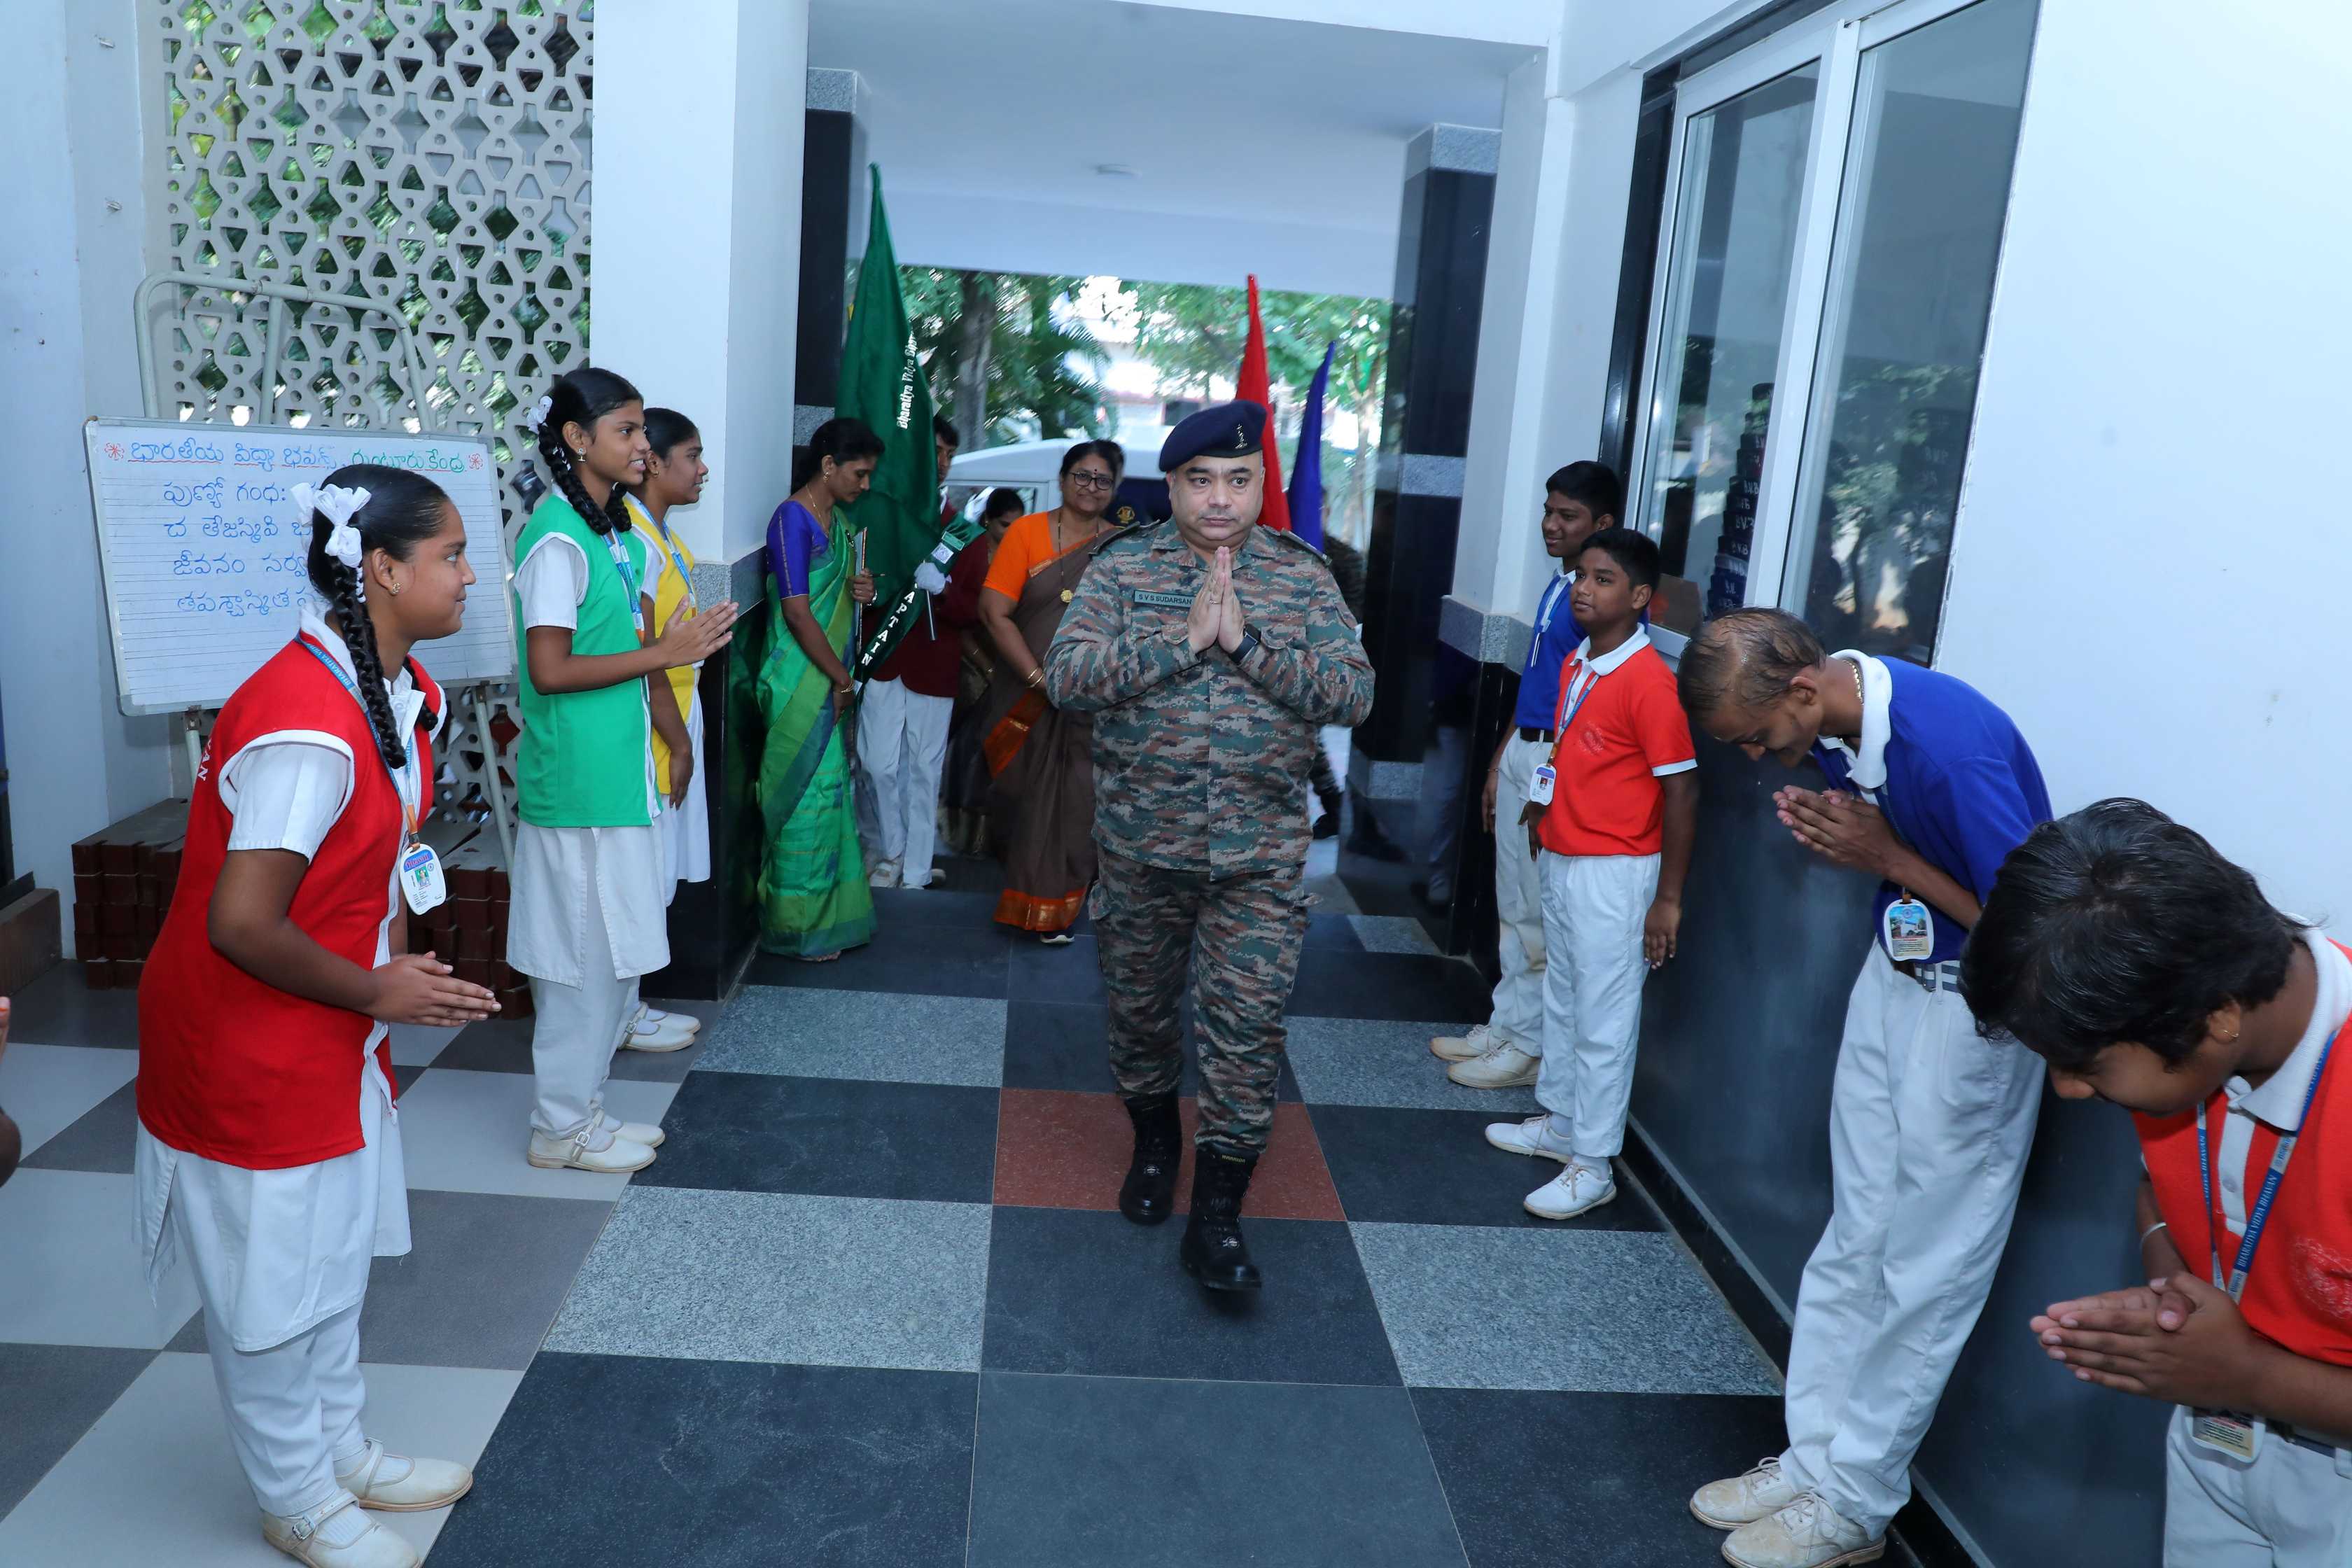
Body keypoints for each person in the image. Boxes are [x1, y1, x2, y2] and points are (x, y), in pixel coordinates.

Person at [134, 468, 498, 1568]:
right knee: (271, 1289)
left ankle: (341, 1451)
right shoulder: (308, 724)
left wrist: (381, 974)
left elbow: (367, 865)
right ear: (382, 570)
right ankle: (295, 1496)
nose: (468, 575)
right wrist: (382, 988)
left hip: (326, 1030)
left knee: (328, 1264)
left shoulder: (391, 690)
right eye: (450, 556)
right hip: (250, 1043)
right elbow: (242, 922)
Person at [1676, 608, 2049, 1568]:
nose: (1761, 758)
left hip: (1976, 1010)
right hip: (1895, 974)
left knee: (1929, 1265)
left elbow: (2034, 937)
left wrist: (1886, 859)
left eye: (1760, 737)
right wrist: (1873, 854)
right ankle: (1815, 1459)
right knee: (1856, 1235)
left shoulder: (1949, 748)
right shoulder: (1839, 721)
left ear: (1805, 689)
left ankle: (1856, 1502)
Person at [1963, 800, 2352, 1567]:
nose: (2068, 1090)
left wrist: (2247, 1373)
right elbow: (2162, 1188)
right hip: (2219, 1436)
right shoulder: (2187, 1038)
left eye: (2084, 1064)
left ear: (2217, 1018)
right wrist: (2173, 1287)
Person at [1046, 402, 1376, 1291]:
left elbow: (1354, 695)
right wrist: (1184, 638)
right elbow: (1067, 678)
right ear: (1173, 485)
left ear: (1262, 483)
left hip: (1258, 859)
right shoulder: (1122, 567)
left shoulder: (1303, 577)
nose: (1220, 498)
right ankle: (1157, 1144)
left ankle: (1219, 1215)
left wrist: (1248, 644)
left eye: (1238, 479)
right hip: (1140, 849)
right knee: (1141, 1016)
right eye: (1201, 480)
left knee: (1247, 1030)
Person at [511, 370, 736, 1173]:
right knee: (578, 964)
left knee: (609, 959)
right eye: (628, 431)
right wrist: (664, 652)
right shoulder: (557, 539)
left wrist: (669, 646)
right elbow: (549, 670)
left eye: (644, 431)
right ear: (577, 439)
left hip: (615, 777)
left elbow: (631, 645)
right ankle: (559, 1125)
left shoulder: (610, 533)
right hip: (578, 785)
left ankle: (583, 1110)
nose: (643, 445)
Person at [1483, 528, 1695, 1219]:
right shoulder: (1581, 661)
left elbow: (1682, 789)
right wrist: (1543, 811)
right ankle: (1562, 1124)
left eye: (1604, 580)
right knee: (1565, 997)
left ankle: (1594, 1163)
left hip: (1615, 871)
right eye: (1581, 576)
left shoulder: (1649, 682)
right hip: (1564, 855)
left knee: (1604, 1017)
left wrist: (1667, 899)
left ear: (1640, 598)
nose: (1584, 589)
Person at [1436, 461, 1621, 1087]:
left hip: (1558, 761)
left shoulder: (1600, 604)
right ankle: (1509, 1024)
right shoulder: (1559, 585)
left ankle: (1531, 1047)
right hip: (1526, 750)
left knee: (1540, 912)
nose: (1551, 525)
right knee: (1512, 902)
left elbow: (1593, 700)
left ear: (1603, 523)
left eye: (1568, 516)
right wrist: (1500, 760)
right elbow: (1538, 683)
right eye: (1548, 512)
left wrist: (1558, 775)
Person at [976, 440, 1130, 942]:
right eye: (1082, 476)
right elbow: (993, 614)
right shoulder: (1026, 533)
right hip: (1025, 693)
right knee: (1021, 796)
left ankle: (1054, 906)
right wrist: (1041, 681)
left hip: (1090, 700)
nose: (1091, 487)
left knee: (1077, 799)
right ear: (1063, 479)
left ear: (1114, 489)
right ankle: (1031, 886)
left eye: (1102, 480)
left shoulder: (1121, 547)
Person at [755, 416, 881, 958]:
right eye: (859, 473)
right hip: (800, 682)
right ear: (828, 465)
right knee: (805, 798)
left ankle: (831, 916)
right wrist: (840, 678)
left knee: (829, 797)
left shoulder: (841, 522)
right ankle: (797, 927)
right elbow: (797, 612)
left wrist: (863, 589)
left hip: (831, 675)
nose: (865, 485)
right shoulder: (792, 519)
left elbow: (842, 598)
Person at [855, 412, 988, 890]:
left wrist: (944, 590)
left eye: (950, 454)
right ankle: (890, 850)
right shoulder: (880, 516)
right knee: (877, 763)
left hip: (935, 667)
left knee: (923, 771)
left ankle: (912, 867)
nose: (943, 461)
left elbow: (974, 609)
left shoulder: (966, 535)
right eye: (935, 451)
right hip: (883, 659)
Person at [615, 406, 711, 1056]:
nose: (702, 470)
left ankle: (629, 1007)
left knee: (657, 874)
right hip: (655, 724)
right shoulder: (634, 539)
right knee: (641, 875)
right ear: (654, 462)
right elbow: (646, 653)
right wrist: (677, 743)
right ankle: (620, 1015)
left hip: (677, 710)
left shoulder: (661, 535)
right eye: (693, 456)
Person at [941, 487, 1027, 858]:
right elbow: (959, 619)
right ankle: (961, 834)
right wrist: (987, 667)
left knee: (996, 753)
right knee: (965, 752)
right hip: (969, 670)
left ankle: (991, 837)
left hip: (1007, 666)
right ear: (988, 520)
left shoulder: (1024, 559)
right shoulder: (973, 555)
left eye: (1018, 526)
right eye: (1006, 525)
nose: (1012, 532)